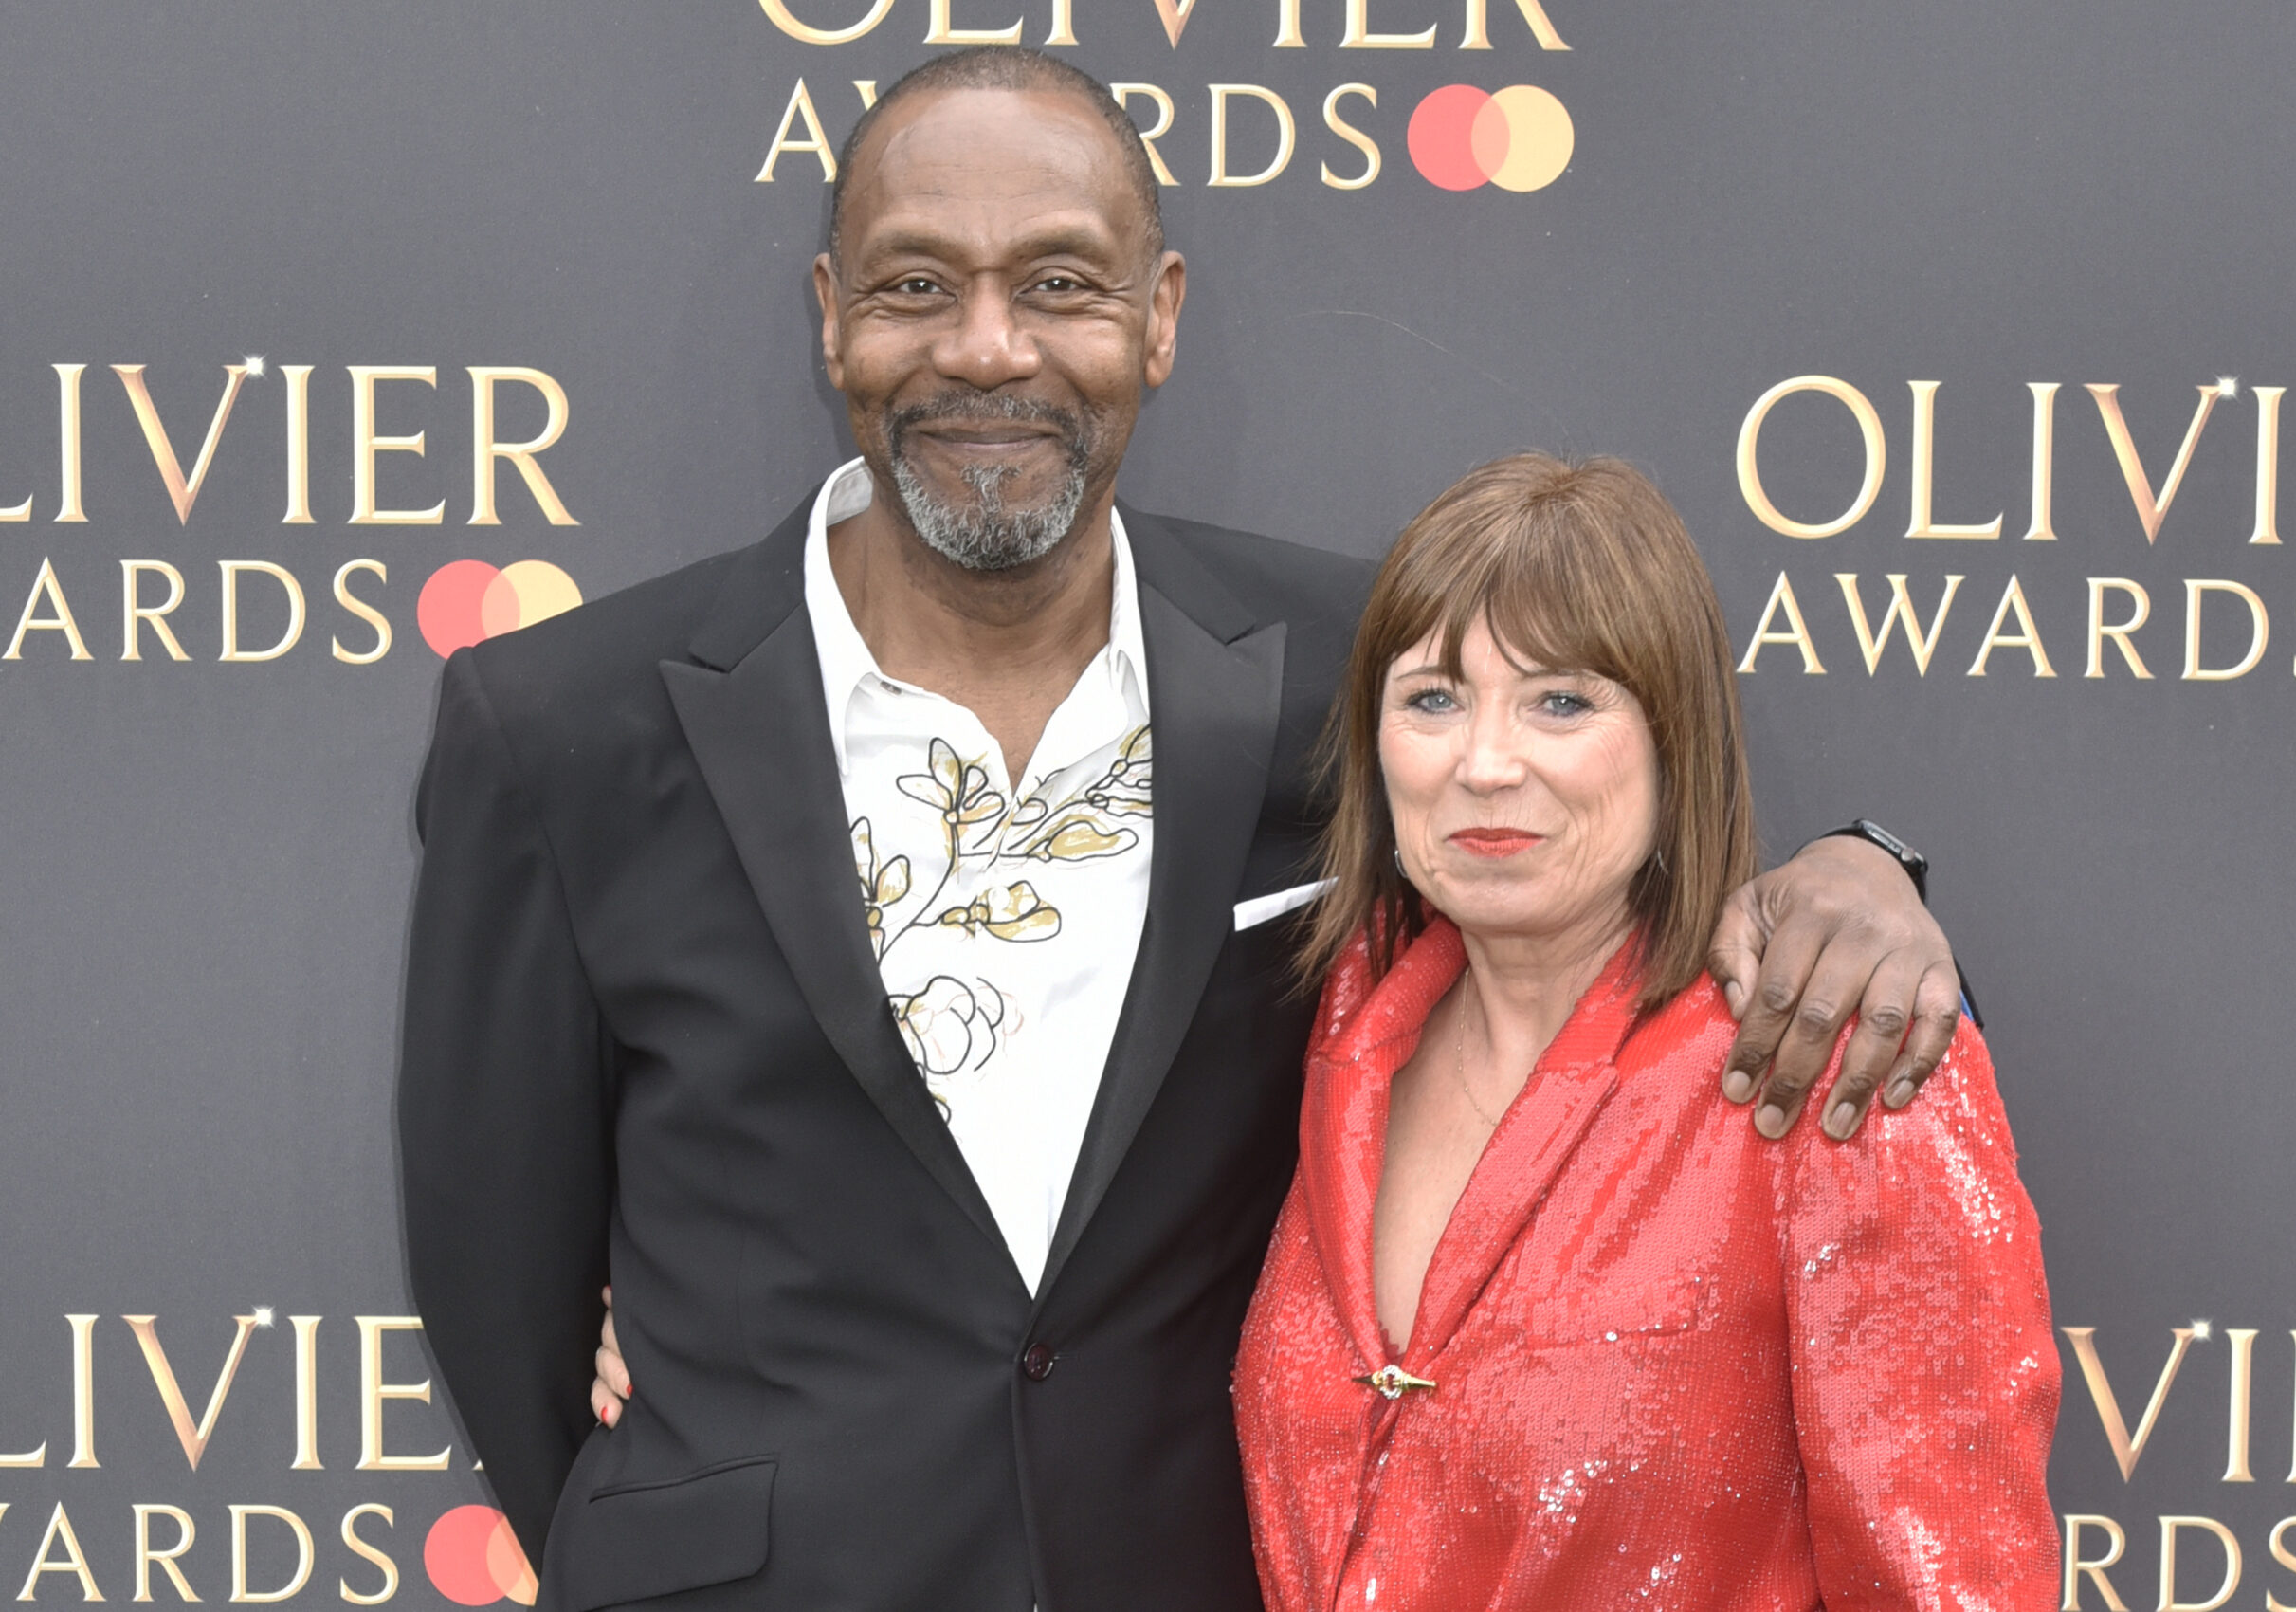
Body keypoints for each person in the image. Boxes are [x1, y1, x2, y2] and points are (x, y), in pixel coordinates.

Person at [399, 46, 1968, 1612]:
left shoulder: (1342, 677)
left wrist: (1860, 868)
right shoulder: (562, 726)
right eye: (916, 286)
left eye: (1061, 283)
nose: (989, 347)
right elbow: (497, 1280)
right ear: (831, 317)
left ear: (1158, 318)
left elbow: (1582, 851)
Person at [1230, 454, 2057, 1608]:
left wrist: (1870, 859)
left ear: (1675, 739)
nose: (1484, 760)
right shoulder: (1333, 1032)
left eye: (1560, 700)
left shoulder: (1834, 1058)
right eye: (1432, 697)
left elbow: (1951, 1581)